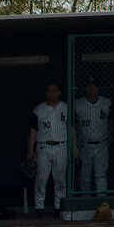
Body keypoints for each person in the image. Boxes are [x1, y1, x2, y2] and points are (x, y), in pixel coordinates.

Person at [27, 82, 69, 216]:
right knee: (41, 178)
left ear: (59, 92)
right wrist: (30, 149)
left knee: (60, 179)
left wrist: (74, 146)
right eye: (49, 91)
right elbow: (33, 131)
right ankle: (39, 207)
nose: (52, 93)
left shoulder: (66, 108)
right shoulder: (38, 110)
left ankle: (58, 206)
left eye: (55, 90)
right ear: (46, 93)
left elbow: (72, 128)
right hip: (43, 146)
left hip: (61, 145)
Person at [73, 77, 112, 195]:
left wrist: (110, 139)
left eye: (94, 87)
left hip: (101, 143)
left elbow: (111, 122)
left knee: (100, 174)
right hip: (84, 144)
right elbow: (72, 125)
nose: (91, 89)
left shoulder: (107, 102)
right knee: (84, 175)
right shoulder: (77, 104)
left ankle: (102, 199)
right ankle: (86, 200)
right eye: (89, 87)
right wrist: (75, 145)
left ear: (98, 88)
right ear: (85, 89)